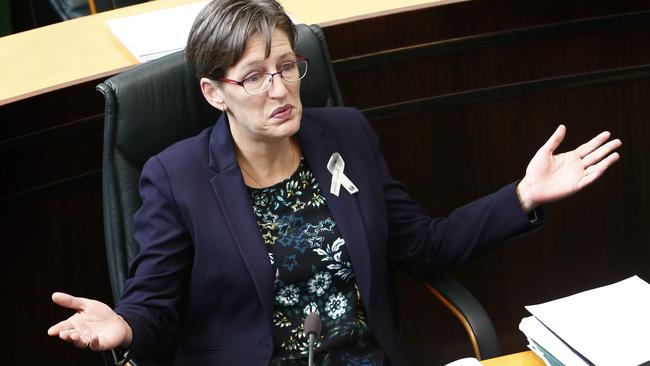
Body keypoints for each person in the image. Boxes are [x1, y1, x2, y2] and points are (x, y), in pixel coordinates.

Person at [47, 0, 622, 365]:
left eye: (287, 67)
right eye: (253, 77)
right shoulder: (175, 177)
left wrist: (522, 196)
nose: (280, 89)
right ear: (213, 92)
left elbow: (423, 246)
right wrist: (123, 326)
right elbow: (154, 304)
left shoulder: (344, 135)